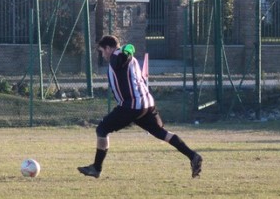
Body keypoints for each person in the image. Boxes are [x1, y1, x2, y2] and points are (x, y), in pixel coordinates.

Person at [78, 35, 202, 179]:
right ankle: (193, 156)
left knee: (102, 129)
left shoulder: (117, 55)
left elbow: (122, 57)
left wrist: (125, 50)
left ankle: (96, 168)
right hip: (146, 104)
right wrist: (127, 50)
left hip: (131, 105)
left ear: (108, 48)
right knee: (161, 133)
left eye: (102, 51)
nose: (103, 55)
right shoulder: (129, 58)